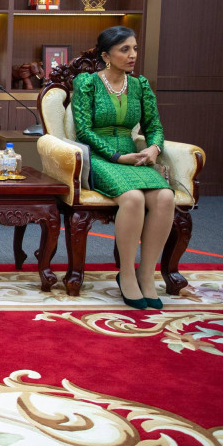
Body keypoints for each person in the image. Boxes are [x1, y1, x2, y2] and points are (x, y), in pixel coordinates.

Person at [72, 26, 174, 310]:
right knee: (133, 198)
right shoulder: (87, 83)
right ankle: (126, 273)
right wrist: (117, 157)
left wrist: (153, 149)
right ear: (106, 56)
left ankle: (146, 273)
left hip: (134, 156)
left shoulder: (140, 85)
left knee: (165, 197)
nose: (133, 55)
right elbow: (84, 131)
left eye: (135, 49)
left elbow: (154, 126)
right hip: (102, 157)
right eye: (125, 49)